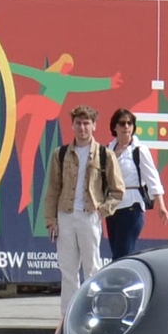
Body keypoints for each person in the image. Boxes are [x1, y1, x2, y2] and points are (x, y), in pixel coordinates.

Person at [40, 104, 122, 296]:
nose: (82, 128)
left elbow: (118, 190)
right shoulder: (60, 154)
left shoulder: (105, 154)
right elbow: (53, 189)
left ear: (94, 125)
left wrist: (101, 210)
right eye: (78, 123)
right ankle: (67, 315)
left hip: (89, 214)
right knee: (67, 270)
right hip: (65, 215)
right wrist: (51, 220)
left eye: (86, 123)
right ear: (72, 126)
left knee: (92, 268)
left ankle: (91, 311)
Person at [105, 108, 162, 263]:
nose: (126, 127)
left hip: (132, 205)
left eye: (130, 123)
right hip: (111, 207)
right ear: (114, 127)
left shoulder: (139, 150)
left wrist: (161, 205)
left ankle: (120, 285)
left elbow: (152, 177)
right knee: (117, 251)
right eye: (122, 123)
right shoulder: (107, 151)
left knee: (122, 254)